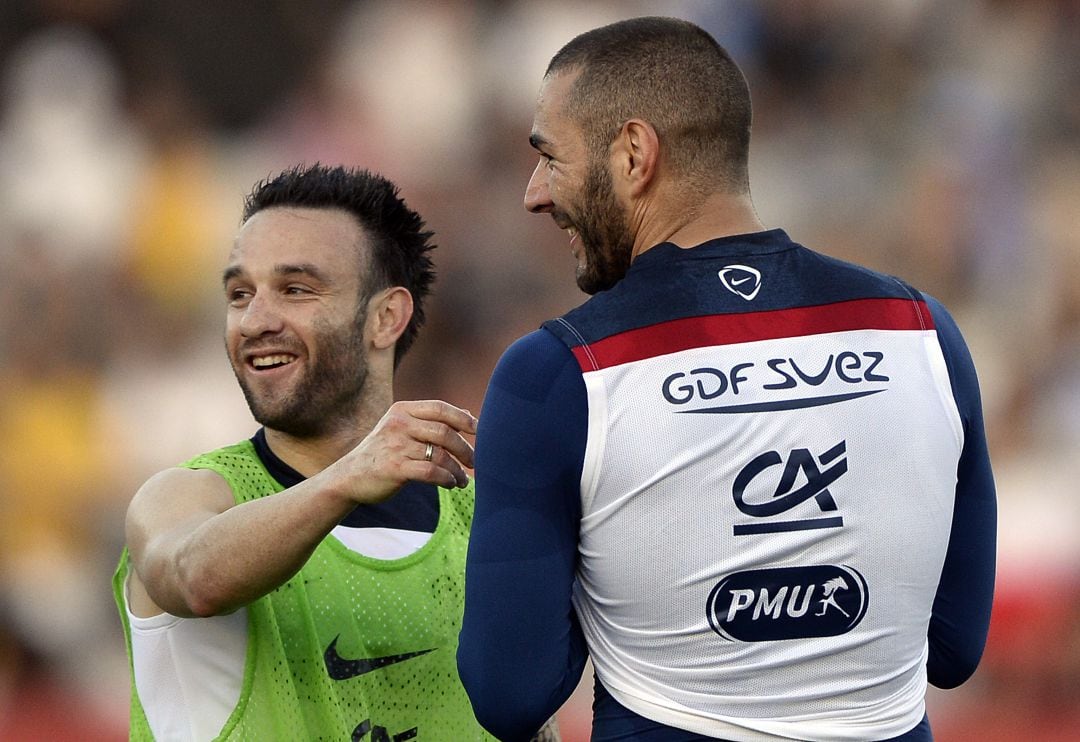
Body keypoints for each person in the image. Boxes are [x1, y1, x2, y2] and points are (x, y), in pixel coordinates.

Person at [458, 16, 996, 742]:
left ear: (633, 155)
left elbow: (509, 693)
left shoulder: (556, 375)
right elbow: (955, 651)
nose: (535, 193)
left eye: (550, 157)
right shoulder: (923, 333)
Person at [113, 163, 497, 740]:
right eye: (240, 294)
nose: (255, 321)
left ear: (385, 317)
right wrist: (345, 478)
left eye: (295, 289)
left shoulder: (480, 523)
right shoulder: (185, 496)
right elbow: (194, 578)